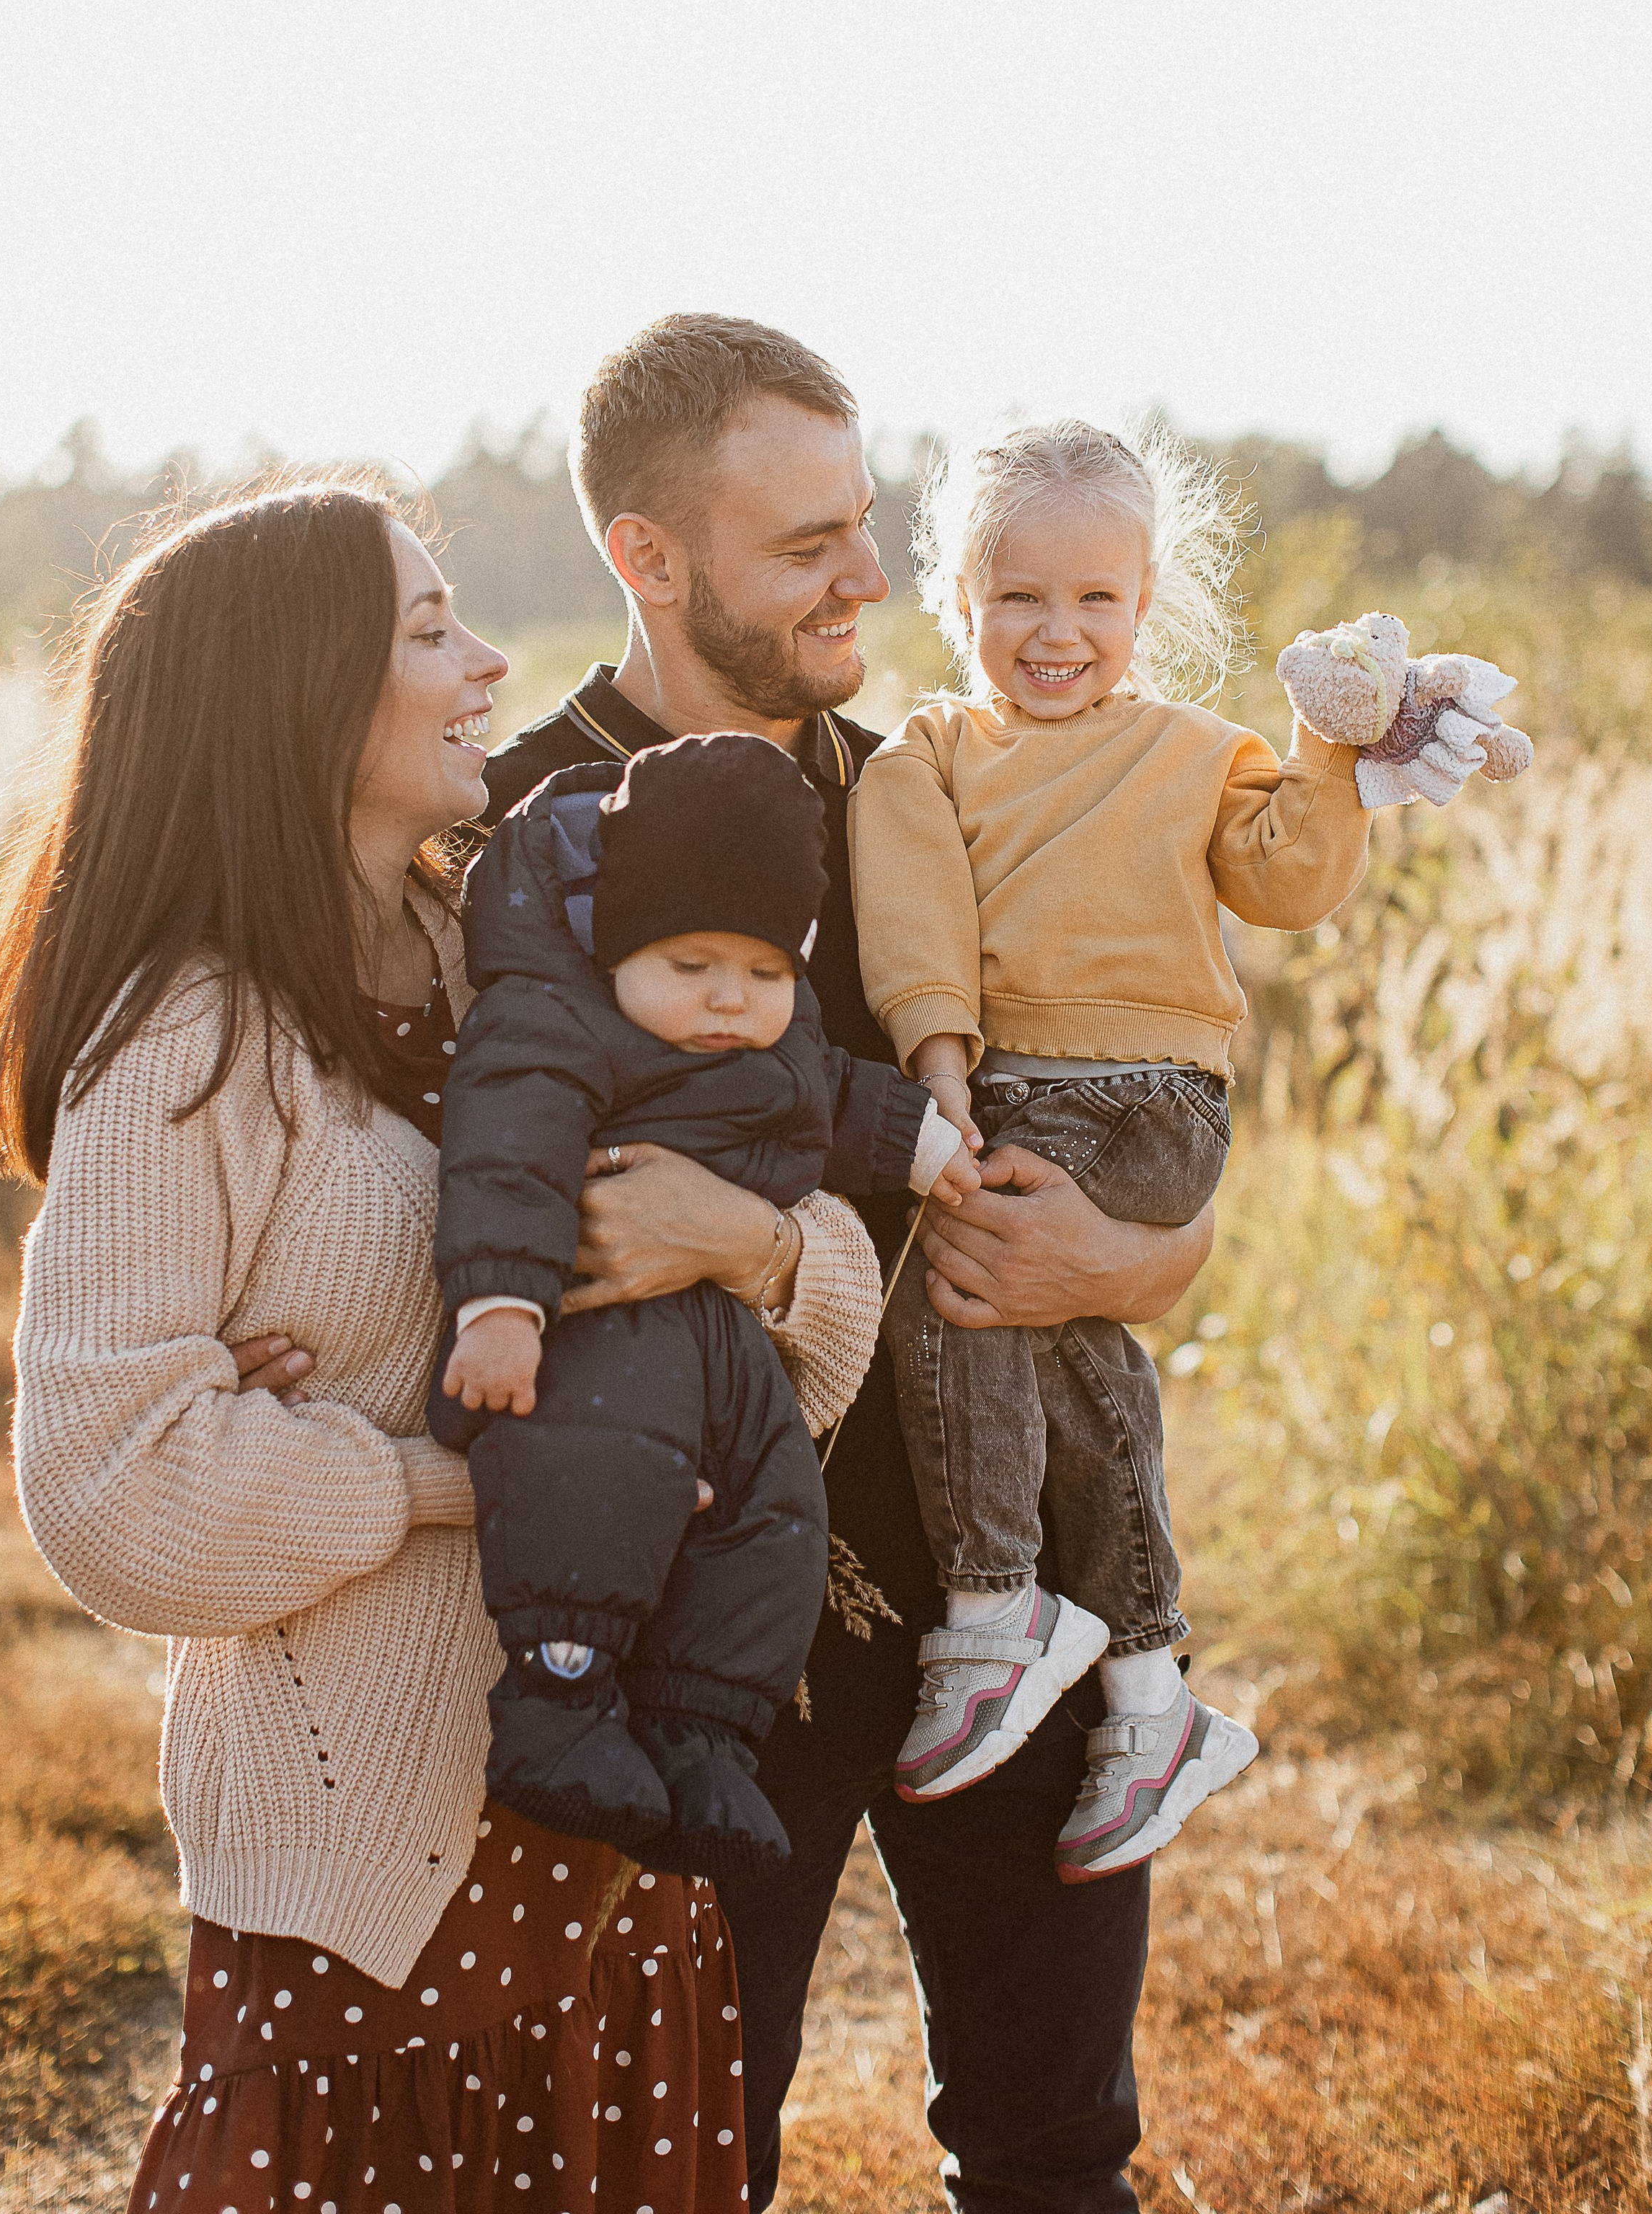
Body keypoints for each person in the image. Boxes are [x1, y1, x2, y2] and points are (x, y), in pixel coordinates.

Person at [0, 476, 884, 2214]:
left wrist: (735, 1246)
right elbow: (114, 1489)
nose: (491, 666)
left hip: (620, 1836)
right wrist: (460, 1479)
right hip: (374, 1892)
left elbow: (812, 1321)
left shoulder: (522, 961)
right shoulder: (189, 1041)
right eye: (433, 630)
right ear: (297, 691)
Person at [479, 316, 1217, 2214]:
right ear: (649, 557)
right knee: (677, 2166)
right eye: (806, 544)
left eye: (865, 523)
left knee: (1057, 2152)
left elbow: (1148, 1128)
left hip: (1016, 1592)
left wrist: (1136, 1261)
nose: (868, 578)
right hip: (706, 1640)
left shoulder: (955, 792)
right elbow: (494, 1212)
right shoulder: (522, 834)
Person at [850, 417, 1376, 1872]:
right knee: (1074, 1358)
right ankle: (1149, 1697)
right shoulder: (929, 756)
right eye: (1018, 596)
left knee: (955, 1287)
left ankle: (995, 1603)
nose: (1057, 631)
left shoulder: (1200, 753)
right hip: (1012, 1089)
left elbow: (1288, 881)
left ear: (1143, 604)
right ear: (959, 599)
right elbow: (914, 919)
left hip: (1149, 1103)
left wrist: (1330, 749)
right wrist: (941, 1066)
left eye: (1095, 598)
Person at [429, 730, 969, 1874]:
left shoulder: (778, 1038)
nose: (731, 999)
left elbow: (833, 1100)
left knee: (777, 1517)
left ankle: (704, 1732)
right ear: (616, 943)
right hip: (600, 1336)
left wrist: (928, 1145)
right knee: (596, 1485)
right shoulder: (555, 1025)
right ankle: (560, 1700)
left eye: (767, 973)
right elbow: (506, 1155)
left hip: (733, 1349)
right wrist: (501, 1307)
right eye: (691, 965)